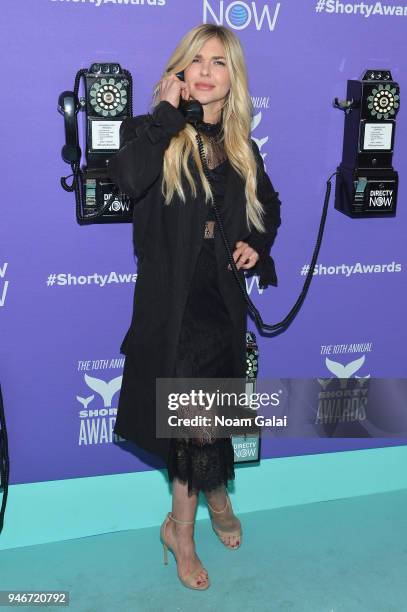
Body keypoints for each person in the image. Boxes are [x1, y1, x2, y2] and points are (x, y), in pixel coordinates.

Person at [107, 23, 282, 591]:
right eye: (196, 60)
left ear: (234, 80)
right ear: (181, 71)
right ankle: (182, 530)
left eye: (220, 62)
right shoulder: (153, 133)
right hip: (171, 307)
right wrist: (164, 114)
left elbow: (269, 207)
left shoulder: (241, 149)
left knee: (210, 418)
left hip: (219, 303)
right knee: (193, 426)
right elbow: (125, 179)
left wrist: (258, 242)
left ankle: (216, 495)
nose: (206, 70)